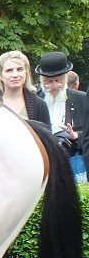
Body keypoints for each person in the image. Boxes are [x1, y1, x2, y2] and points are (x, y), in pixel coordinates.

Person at [35, 51, 88, 179]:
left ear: (65, 78)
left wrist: (76, 135)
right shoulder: (35, 100)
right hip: (43, 163)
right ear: (42, 80)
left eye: (57, 81)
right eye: (49, 81)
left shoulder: (81, 99)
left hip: (74, 162)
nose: (53, 86)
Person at [0, 50, 49, 122]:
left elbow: (45, 132)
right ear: (0, 75)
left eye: (19, 69)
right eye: (9, 70)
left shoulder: (38, 105)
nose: (15, 75)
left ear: (26, 73)